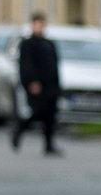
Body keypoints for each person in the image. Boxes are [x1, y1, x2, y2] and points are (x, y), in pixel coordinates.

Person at [9, 14, 63, 155]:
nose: (39, 27)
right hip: (36, 86)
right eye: (36, 24)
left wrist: (58, 86)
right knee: (37, 112)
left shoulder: (49, 43)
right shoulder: (27, 44)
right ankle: (20, 129)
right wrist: (31, 82)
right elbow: (26, 65)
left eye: (41, 24)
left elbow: (55, 65)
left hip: (51, 85)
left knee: (50, 116)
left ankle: (49, 144)